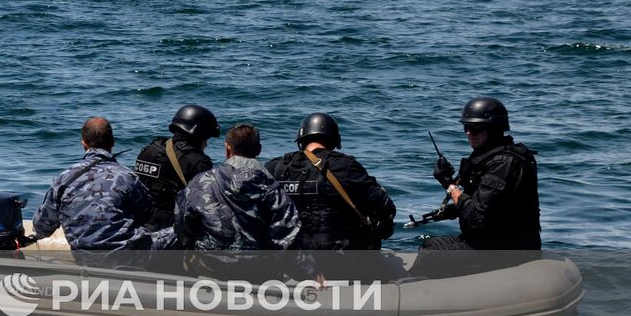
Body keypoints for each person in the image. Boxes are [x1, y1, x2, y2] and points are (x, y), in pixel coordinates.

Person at [420, 96, 541, 255]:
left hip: (504, 248)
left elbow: (477, 215)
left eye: (475, 128)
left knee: (429, 253)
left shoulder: (503, 164)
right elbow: (492, 206)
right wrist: (448, 211)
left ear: (494, 128)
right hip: (494, 241)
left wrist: (449, 185)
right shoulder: (490, 158)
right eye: (466, 127)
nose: (469, 133)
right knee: (429, 244)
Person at [265, 113, 396, 250]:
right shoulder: (344, 165)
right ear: (334, 140)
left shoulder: (275, 167)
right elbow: (385, 206)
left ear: (301, 139)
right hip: (337, 257)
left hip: (287, 256)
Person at [31, 117, 156, 252]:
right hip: (127, 256)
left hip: (85, 258)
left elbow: (42, 228)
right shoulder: (128, 177)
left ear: (84, 144)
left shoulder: (63, 179)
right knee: (176, 233)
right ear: (113, 142)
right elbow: (149, 217)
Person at [174, 123, 301, 253]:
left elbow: (181, 221)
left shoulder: (200, 182)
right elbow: (289, 230)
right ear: (258, 150)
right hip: (257, 266)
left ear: (227, 149)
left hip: (209, 265)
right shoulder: (270, 186)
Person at [133, 104, 220, 232]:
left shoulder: (149, 151)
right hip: (171, 229)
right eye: (206, 137)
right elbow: (206, 204)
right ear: (199, 134)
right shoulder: (198, 162)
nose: (206, 143)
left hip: (139, 223)